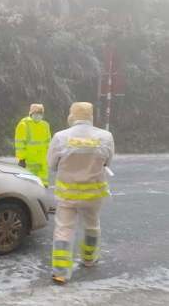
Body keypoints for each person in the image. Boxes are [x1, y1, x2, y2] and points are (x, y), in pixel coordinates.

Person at [47, 102, 115, 284]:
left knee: (64, 230)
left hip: (68, 195)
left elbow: (52, 164)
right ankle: (89, 259)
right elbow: (108, 163)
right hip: (93, 194)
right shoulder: (106, 136)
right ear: (91, 116)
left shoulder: (60, 137)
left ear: (72, 116)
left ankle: (61, 272)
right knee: (92, 226)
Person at [14, 104, 52, 187]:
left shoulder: (45, 125)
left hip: (43, 160)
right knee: (29, 184)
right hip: (29, 160)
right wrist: (21, 158)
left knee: (43, 183)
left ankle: (43, 191)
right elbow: (19, 143)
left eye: (40, 113)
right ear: (31, 113)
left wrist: (50, 155)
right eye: (36, 113)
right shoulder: (24, 124)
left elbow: (48, 142)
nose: (38, 115)